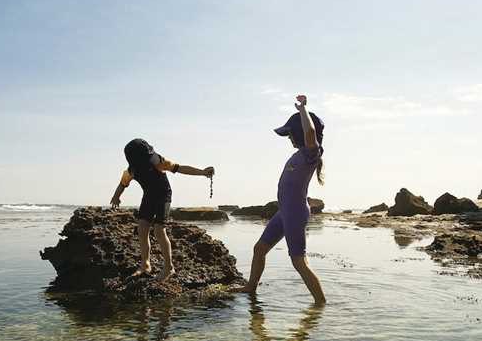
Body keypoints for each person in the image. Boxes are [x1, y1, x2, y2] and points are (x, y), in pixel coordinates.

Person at [236, 95, 326, 304]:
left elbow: (310, 132)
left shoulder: (311, 154)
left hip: (295, 213)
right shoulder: (298, 155)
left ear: (299, 134)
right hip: (284, 212)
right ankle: (251, 287)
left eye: (290, 135)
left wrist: (303, 109)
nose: (289, 139)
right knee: (259, 249)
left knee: (298, 261)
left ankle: (320, 304)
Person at [109, 138, 214, 281]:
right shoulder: (131, 170)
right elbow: (122, 184)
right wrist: (116, 197)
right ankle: (145, 264)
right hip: (148, 196)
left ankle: (169, 267)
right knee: (142, 228)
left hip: (163, 195)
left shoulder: (158, 161)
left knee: (159, 230)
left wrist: (202, 172)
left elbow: (180, 168)